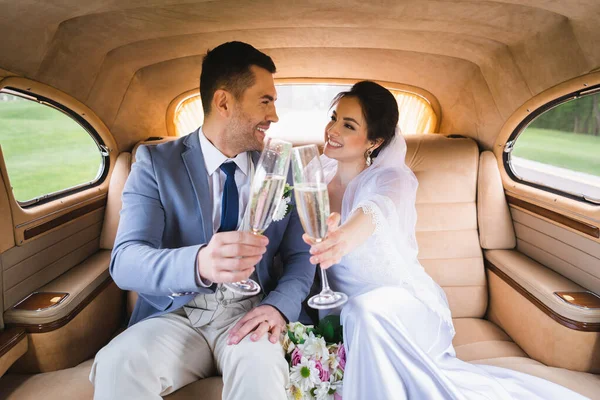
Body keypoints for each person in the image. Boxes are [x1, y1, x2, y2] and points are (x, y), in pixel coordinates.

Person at [304, 81, 587, 399]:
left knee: (363, 311)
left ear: (375, 141)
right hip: (337, 311)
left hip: (398, 306)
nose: (333, 129)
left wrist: (342, 237)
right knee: (355, 312)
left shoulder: (391, 179)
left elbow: (375, 210)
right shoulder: (313, 176)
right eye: (334, 118)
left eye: (348, 125)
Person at [90, 41, 315, 400]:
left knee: (261, 371)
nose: (274, 116)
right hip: (177, 315)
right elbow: (126, 261)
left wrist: (278, 307)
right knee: (118, 362)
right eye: (265, 101)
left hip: (250, 314)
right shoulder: (155, 164)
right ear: (224, 102)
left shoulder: (280, 167)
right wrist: (198, 263)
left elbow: (301, 257)